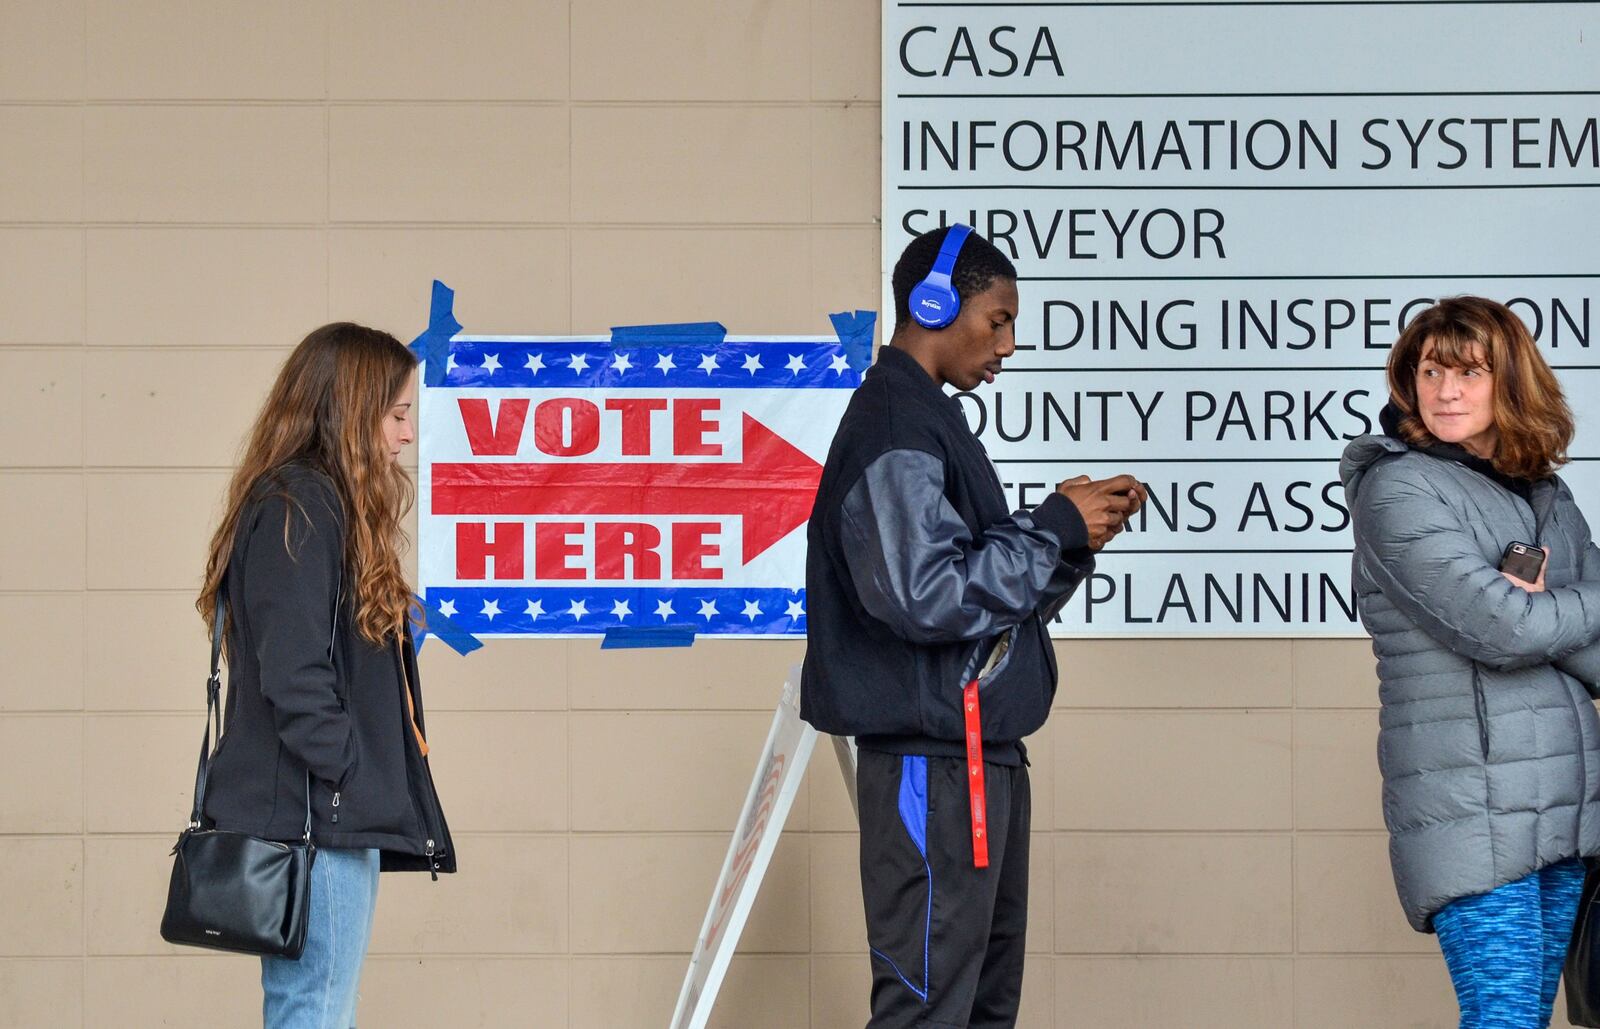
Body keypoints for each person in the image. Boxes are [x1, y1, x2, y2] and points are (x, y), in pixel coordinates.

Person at [801, 225, 1146, 1027]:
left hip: (975, 760)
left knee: (981, 1008)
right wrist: (1050, 527)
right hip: (932, 765)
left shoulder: (931, 419)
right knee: (929, 1010)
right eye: (998, 320)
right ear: (932, 303)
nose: (1010, 344)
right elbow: (927, 594)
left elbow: (980, 615)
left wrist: (1068, 542)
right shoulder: (893, 422)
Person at [1342, 296, 1600, 1028]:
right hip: (1473, 805)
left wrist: (1549, 609)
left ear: (1510, 381)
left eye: (1470, 373)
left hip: (1565, 802)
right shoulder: (1398, 487)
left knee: (1525, 1018)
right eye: (1431, 371)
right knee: (1504, 1016)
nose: (1446, 391)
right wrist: (1559, 605)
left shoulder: (1547, 493)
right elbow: (1501, 627)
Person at [195, 322, 454, 1028]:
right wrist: (351, 776)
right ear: (350, 407)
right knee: (313, 1009)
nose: (406, 436)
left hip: (323, 815)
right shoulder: (301, 504)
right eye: (398, 414)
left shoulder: (310, 503)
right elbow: (294, 674)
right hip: (317, 822)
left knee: (315, 1006)